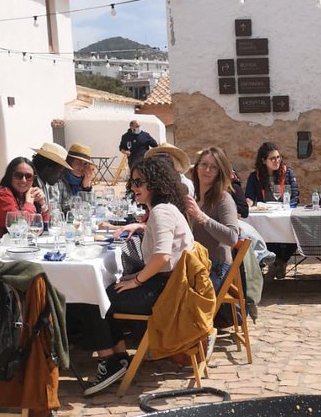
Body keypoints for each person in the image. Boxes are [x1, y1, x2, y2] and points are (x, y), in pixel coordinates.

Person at [82, 154, 194, 395]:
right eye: (132, 182)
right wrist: (141, 227)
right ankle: (120, 357)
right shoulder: (164, 209)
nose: (134, 188)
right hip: (169, 285)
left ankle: (108, 362)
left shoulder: (161, 211)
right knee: (109, 288)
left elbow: (163, 256)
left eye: (139, 182)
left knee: (96, 298)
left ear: (155, 184)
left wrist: (139, 279)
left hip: (166, 292)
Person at [187, 146, 239, 292]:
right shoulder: (195, 199)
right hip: (196, 265)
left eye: (213, 167)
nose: (207, 170)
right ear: (197, 168)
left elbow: (232, 237)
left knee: (180, 297)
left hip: (216, 267)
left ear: (219, 173)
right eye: (204, 165)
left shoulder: (223, 199)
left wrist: (202, 217)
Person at [245, 142, 299, 279]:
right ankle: (275, 263)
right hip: (266, 214)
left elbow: (295, 196)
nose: (277, 161)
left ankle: (280, 262)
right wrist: (248, 202)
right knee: (262, 231)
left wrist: (286, 205)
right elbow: (249, 198)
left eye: (278, 157)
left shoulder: (288, 173)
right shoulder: (254, 177)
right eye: (272, 158)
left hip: (284, 212)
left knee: (295, 231)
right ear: (263, 161)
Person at [0, 156, 48, 238]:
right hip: (0, 246)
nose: (24, 180)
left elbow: (46, 226)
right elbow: (18, 226)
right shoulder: (1, 193)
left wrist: (42, 203)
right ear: (10, 176)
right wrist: (29, 202)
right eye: (18, 175)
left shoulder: (26, 193)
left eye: (28, 176)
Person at [30, 141, 72, 219]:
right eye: (60, 171)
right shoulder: (31, 184)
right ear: (48, 169)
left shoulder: (43, 182)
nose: (61, 176)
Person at [63, 143, 97, 207]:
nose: (82, 167)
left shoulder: (83, 180)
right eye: (78, 162)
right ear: (69, 162)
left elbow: (91, 207)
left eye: (85, 164)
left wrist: (86, 185)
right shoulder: (60, 181)